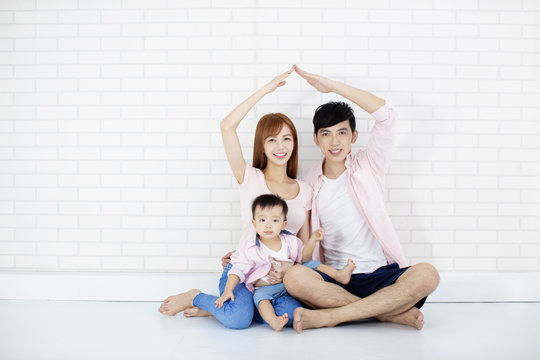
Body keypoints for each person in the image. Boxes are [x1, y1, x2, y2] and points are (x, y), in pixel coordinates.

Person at [282, 65, 440, 333]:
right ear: (316, 139)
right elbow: (296, 237)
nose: (334, 142)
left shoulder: (369, 165)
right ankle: (386, 314)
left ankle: (334, 316)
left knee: (428, 274)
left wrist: (331, 85)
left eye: (342, 132)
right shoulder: (308, 183)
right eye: (326, 134)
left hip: (379, 274)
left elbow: (387, 115)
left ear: (354, 136)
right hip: (335, 278)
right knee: (295, 278)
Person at [159, 67, 312, 329]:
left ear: (294, 144)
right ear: (262, 145)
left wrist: (288, 269)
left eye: (287, 139)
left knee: (294, 314)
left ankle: (219, 308)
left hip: (278, 282)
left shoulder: (305, 189)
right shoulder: (249, 177)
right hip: (244, 272)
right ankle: (196, 297)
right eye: (272, 139)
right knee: (239, 320)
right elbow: (226, 126)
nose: (281, 146)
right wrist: (267, 89)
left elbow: (305, 246)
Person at [215, 194, 356, 331]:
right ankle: (273, 321)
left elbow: (303, 258)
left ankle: (338, 275)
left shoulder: (290, 241)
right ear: (254, 223)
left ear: (283, 224)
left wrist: (313, 240)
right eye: (262, 220)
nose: (268, 225)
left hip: (291, 283)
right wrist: (228, 290)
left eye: (275, 221)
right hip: (267, 288)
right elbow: (238, 270)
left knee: (310, 264)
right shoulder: (251, 248)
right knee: (260, 298)